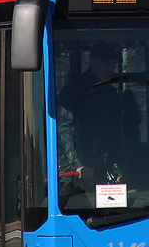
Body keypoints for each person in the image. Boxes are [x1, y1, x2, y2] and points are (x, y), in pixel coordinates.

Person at [59, 44, 142, 183]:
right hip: (74, 172)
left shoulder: (109, 92)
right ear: (92, 62)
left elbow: (114, 135)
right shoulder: (74, 89)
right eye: (106, 63)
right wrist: (78, 164)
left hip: (99, 168)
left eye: (113, 64)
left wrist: (116, 170)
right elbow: (64, 128)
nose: (110, 68)